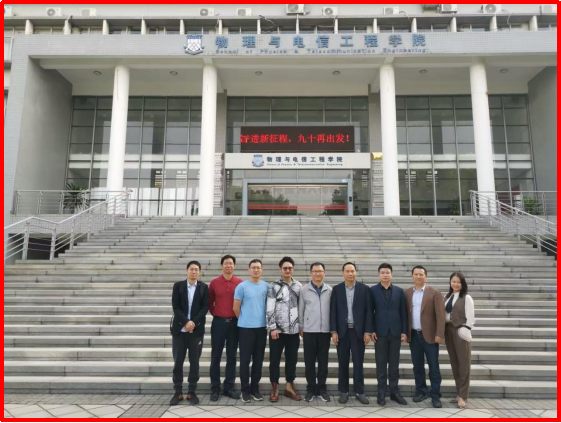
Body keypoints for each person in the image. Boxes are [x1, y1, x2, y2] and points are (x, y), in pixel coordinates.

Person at [330, 262, 373, 405]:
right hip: (342, 332)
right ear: (343, 273)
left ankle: (360, 392)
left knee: (358, 362)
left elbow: (369, 312)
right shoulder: (336, 289)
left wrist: (367, 331)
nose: (350, 273)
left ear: (356, 272)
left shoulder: (364, 289)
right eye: (347, 271)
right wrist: (334, 331)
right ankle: (344, 391)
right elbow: (333, 311)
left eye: (352, 271)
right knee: (342, 362)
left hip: (358, 332)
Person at [405, 265, 446, 409]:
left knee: (433, 366)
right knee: (417, 366)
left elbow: (440, 315)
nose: (418, 276)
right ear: (412, 276)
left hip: (430, 336)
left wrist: (439, 334)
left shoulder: (434, 293)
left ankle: (435, 395)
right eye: (416, 274)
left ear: (425, 276)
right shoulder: (407, 293)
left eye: (421, 274)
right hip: (414, 335)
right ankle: (421, 391)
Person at [170, 261, 209, 406]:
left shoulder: (203, 287)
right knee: (178, 362)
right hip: (179, 331)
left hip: (196, 331)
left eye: (196, 269)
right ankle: (178, 392)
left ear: (199, 272)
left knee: (195, 363)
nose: (194, 272)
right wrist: (186, 322)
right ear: (187, 271)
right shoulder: (178, 286)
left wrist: (193, 323)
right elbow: (175, 306)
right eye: (191, 269)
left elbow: (205, 307)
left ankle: (191, 391)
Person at [370, 263, 408, 406]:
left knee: (394, 364)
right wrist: (371, 330)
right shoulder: (372, 291)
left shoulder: (399, 291)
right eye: (383, 272)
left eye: (387, 272)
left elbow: (403, 312)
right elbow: (369, 312)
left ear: (391, 274)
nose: (385, 275)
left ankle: (394, 392)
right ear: (378, 274)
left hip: (395, 332)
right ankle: (381, 392)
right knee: (380, 364)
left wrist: (404, 331)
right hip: (379, 333)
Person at [266, 257, 303, 402]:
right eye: (285, 268)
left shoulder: (298, 286)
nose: (288, 270)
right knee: (274, 360)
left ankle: (289, 386)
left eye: (290, 268)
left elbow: (301, 308)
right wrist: (272, 328)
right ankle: (274, 387)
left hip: (293, 331)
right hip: (278, 331)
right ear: (280, 269)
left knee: (292, 359)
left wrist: (300, 327)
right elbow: (270, 307)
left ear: (293, 269)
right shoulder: (273, 286)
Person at [233, 259, 269, 403]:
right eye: (253, 267)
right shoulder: (242, 286)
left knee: (258, 360)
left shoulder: (266, 286)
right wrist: (245, 319)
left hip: (261, 328)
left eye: (258, 267)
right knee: (245, 360)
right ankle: (245, 390)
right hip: (245, 329)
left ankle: (255, 388)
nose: (256, 270)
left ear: (262, 270)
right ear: (249, 269)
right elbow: (236, 308)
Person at [208, 255, 243, 402]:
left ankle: (228, 387)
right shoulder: (214, 283)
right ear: (222, 265)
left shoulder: (240, 283)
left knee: (232, 356)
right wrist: (218, 314)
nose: (228, 266)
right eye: (226, 263)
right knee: (216, 356)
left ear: (234, 266)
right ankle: (215, 388)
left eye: (231, 263)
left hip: (234, 324)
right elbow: (210, 303)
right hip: (219, 323)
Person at [298, 262, 332, 403]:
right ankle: (311, 389)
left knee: (323, 362)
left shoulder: (329, 290)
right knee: (309, 362)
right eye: (315, 271)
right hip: (309, 331)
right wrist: (301, 327)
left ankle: (322, 389)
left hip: (325, 332)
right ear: (311, 273)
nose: (318, 273)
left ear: (324, 273)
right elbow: (301, 309)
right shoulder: (304, 290)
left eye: (320, 271)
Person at [444, 272, 475, 409]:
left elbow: (471, 317)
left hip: (460, 331)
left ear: (462, 284)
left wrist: (466, 329)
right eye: (453, 281)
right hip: (448, 331)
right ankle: (459, 393)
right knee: (455, 363)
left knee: (463, 364)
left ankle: (463, 396)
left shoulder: (466, 298)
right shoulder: (448, 296)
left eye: (458, 282)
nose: (455, 284)